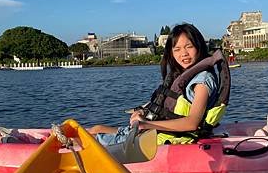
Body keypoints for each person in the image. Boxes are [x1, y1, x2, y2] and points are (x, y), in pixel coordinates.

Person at [89, 23, 230, 147]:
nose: (184, 54)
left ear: (199, 47)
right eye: (177, 49)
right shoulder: (182, 75)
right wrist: (142, 111)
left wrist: (146, 124)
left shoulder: (202, 81)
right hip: (156, 132)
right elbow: (162, 103)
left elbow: (192, 123)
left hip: (171, 139)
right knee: (97, 128)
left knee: (90, 139)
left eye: (189, 47)